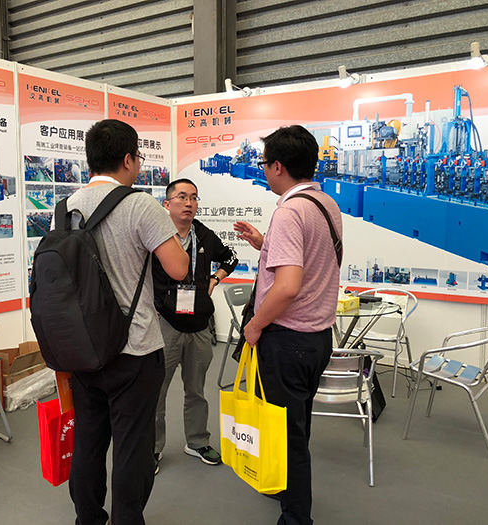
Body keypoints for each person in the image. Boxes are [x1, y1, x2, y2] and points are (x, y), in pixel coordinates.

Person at [66, 119, 189, 525]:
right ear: (127, 159)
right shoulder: (140, 205)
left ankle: (88, 518)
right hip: (134, 348)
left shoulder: (66, 207)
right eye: (138, 157)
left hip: (84, 347)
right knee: (132, 446)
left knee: (88, 439)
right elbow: (178, 268)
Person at [233, 125, 342, 525]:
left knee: (288, 434)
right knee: (295, 423)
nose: (263, 170)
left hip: (286, 340)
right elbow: (312, 261)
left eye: (264, 164)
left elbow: (288, 287)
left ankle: (296, 517)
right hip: (316, 339)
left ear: (277, 166)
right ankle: (282, 486)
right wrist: (266, 244)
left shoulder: (289, 211)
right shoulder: (325, 204)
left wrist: (255, 326)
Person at [151, 178, 238, 473]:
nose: (189, 203)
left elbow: (230, 257)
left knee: (197, 390)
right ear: (167, 204)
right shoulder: (156, 234)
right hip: (165, 324)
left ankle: (198, 441)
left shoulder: (204, 235)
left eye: (194, 197)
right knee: (156, 392)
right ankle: (152, 448)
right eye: (182, 197)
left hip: (199, 325)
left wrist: (215, 278)